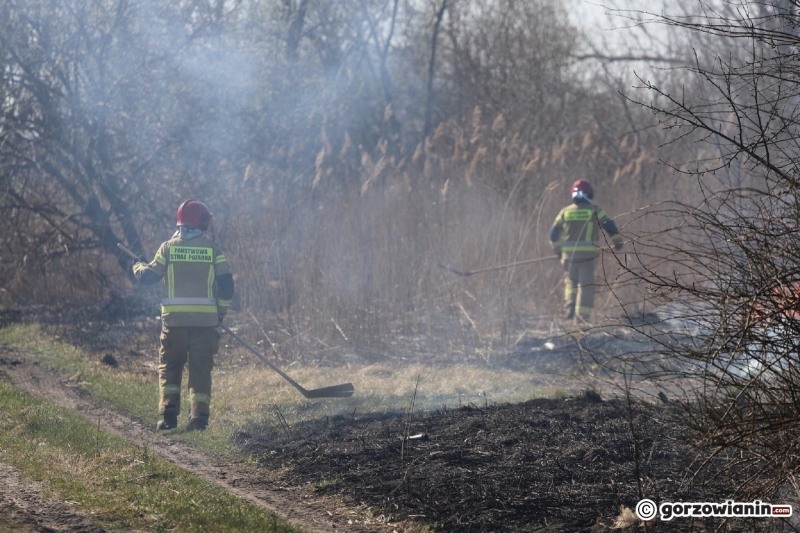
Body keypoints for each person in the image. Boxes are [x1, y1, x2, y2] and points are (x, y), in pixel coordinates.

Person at [133, 200, 234, 431]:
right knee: (200, 370)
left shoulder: (167, 248)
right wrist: (219, 314)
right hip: (206, 325)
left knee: (170, 367)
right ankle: (198, 419)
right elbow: (228, 286)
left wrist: (137, 266)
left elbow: (149, 276)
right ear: (203, 222)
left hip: (174, 324)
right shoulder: (212, 250)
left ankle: (168, 417)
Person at [549, 180, 622, 322]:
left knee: (571, 282)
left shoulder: (565, 212)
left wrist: (558, 251)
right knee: (586, 286)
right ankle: (581, 320)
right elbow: (610, 227)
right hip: (587, 257)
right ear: (589, 194)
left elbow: (553, 235)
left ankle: (570, 307)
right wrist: (618, 242)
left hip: (568, 257)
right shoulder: (595, 211)